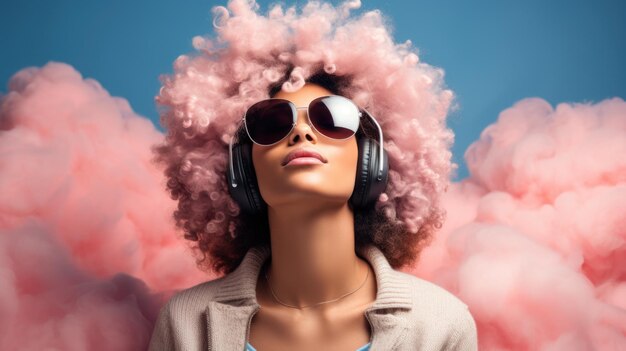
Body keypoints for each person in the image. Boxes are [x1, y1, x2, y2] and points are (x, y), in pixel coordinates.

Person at [148, 1, 478, 350]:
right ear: (242, 169)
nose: (302, 134)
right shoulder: (186, 322)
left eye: (331, 118)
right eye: (273, 122)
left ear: (372, 159)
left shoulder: (442, 325)